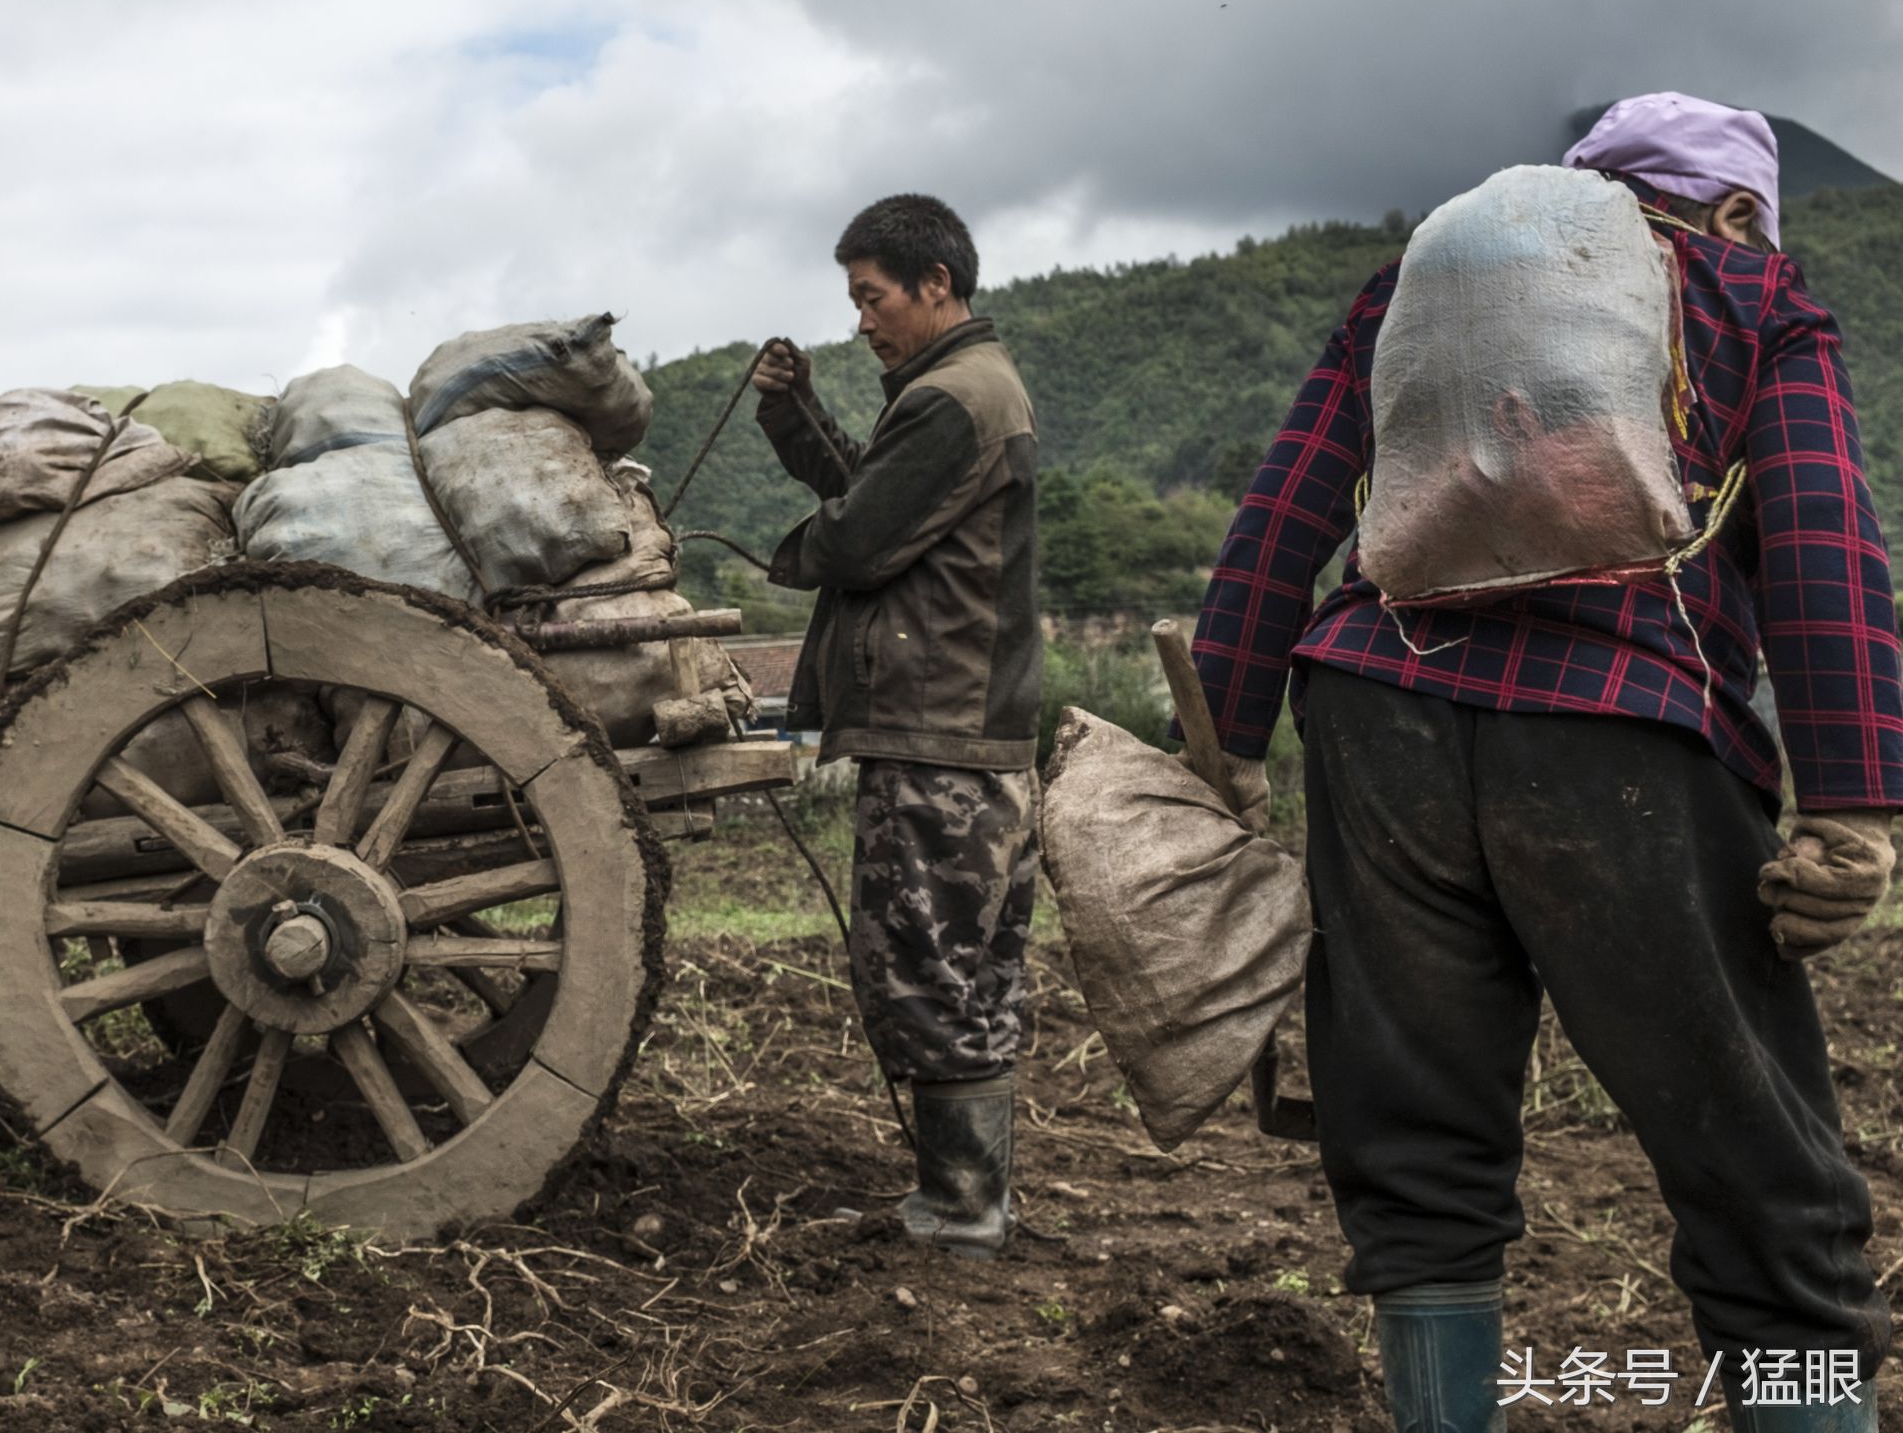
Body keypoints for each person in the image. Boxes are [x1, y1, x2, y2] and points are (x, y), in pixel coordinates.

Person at [1190, 92, 1899, 1431]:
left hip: (1374, 713)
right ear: (1735, 208)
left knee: (1416, 1142)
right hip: (1619, 729)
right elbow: (1819, 540)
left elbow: (1287, 503)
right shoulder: (1750, 290)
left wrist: (1226, 739)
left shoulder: (1429, 277)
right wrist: (1854, 809)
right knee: (1758, 1166)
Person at [752, 192, 1043, 1257]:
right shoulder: (958, 391)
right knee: (968, 969)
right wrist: (796, 415)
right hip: (970, 732)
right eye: (852, 301)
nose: (861, 319)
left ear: (936, 285)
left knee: (926, 967)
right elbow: (880, 499)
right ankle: (971, 1204)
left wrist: (783, 555)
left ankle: (960, 1213)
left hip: (937, 733)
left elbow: (859, 537)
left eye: (872, 298)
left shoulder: (952, 400)